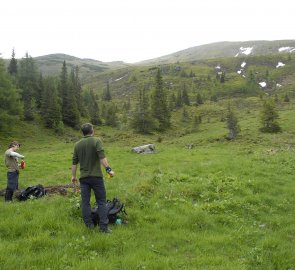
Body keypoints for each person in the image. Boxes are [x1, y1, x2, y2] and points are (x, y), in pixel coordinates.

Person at [71, 123, 115, 233]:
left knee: (85, 202)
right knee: (101, 201)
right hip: (96, 178)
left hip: (84, 178)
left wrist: (73, 176)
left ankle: (89, 226)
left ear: (83, 132)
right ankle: (103, 228)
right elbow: (102, 157)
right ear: (92, 131)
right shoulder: (96, 141)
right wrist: (109, 169)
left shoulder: (77, 145)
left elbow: (74, 162)